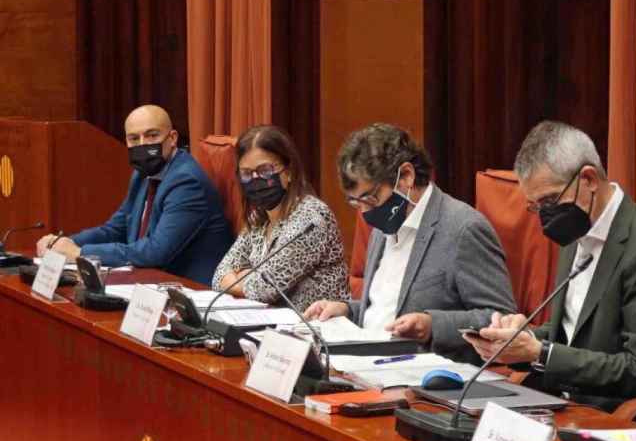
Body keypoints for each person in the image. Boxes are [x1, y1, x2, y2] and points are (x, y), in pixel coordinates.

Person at [463, 121, 636, 412]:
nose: (544, 216)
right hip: (558, 404)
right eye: (535, 206)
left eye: (549, 200)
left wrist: (541, 353)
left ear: (589, 179)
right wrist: (524, 338)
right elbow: (572, 335)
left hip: (615, 417)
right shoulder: (576, 231)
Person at [304, 123, 515, 362]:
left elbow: (502, 319)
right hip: (365, 367)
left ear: (406, 176)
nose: (364, 212)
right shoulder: (383, 227)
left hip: (427, 381)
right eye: (356, 203)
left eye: (370, 199)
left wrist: (432, 325)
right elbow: (385, 309)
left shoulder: (463, 228)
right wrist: (347, 310)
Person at [35, 105, 233, 285]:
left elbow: (155, 252)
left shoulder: (186, 181)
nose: (143, 145)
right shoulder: (142, 175)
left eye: (152, 136)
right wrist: (65, 243)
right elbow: (115, 228)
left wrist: (79, 253)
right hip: (149, 281)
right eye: (134, 139)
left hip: (189, 290)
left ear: (172, 138)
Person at [211, 125, 349, 313]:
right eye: (246, 173)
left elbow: (264, 288)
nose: (256, 179)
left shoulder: (311, 219)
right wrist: (250, 278)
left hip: (316, 329)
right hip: (272, 328)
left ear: (289, 171)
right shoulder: (259, 219)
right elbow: (219, 275)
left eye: (265, 170)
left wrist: (241, 277)